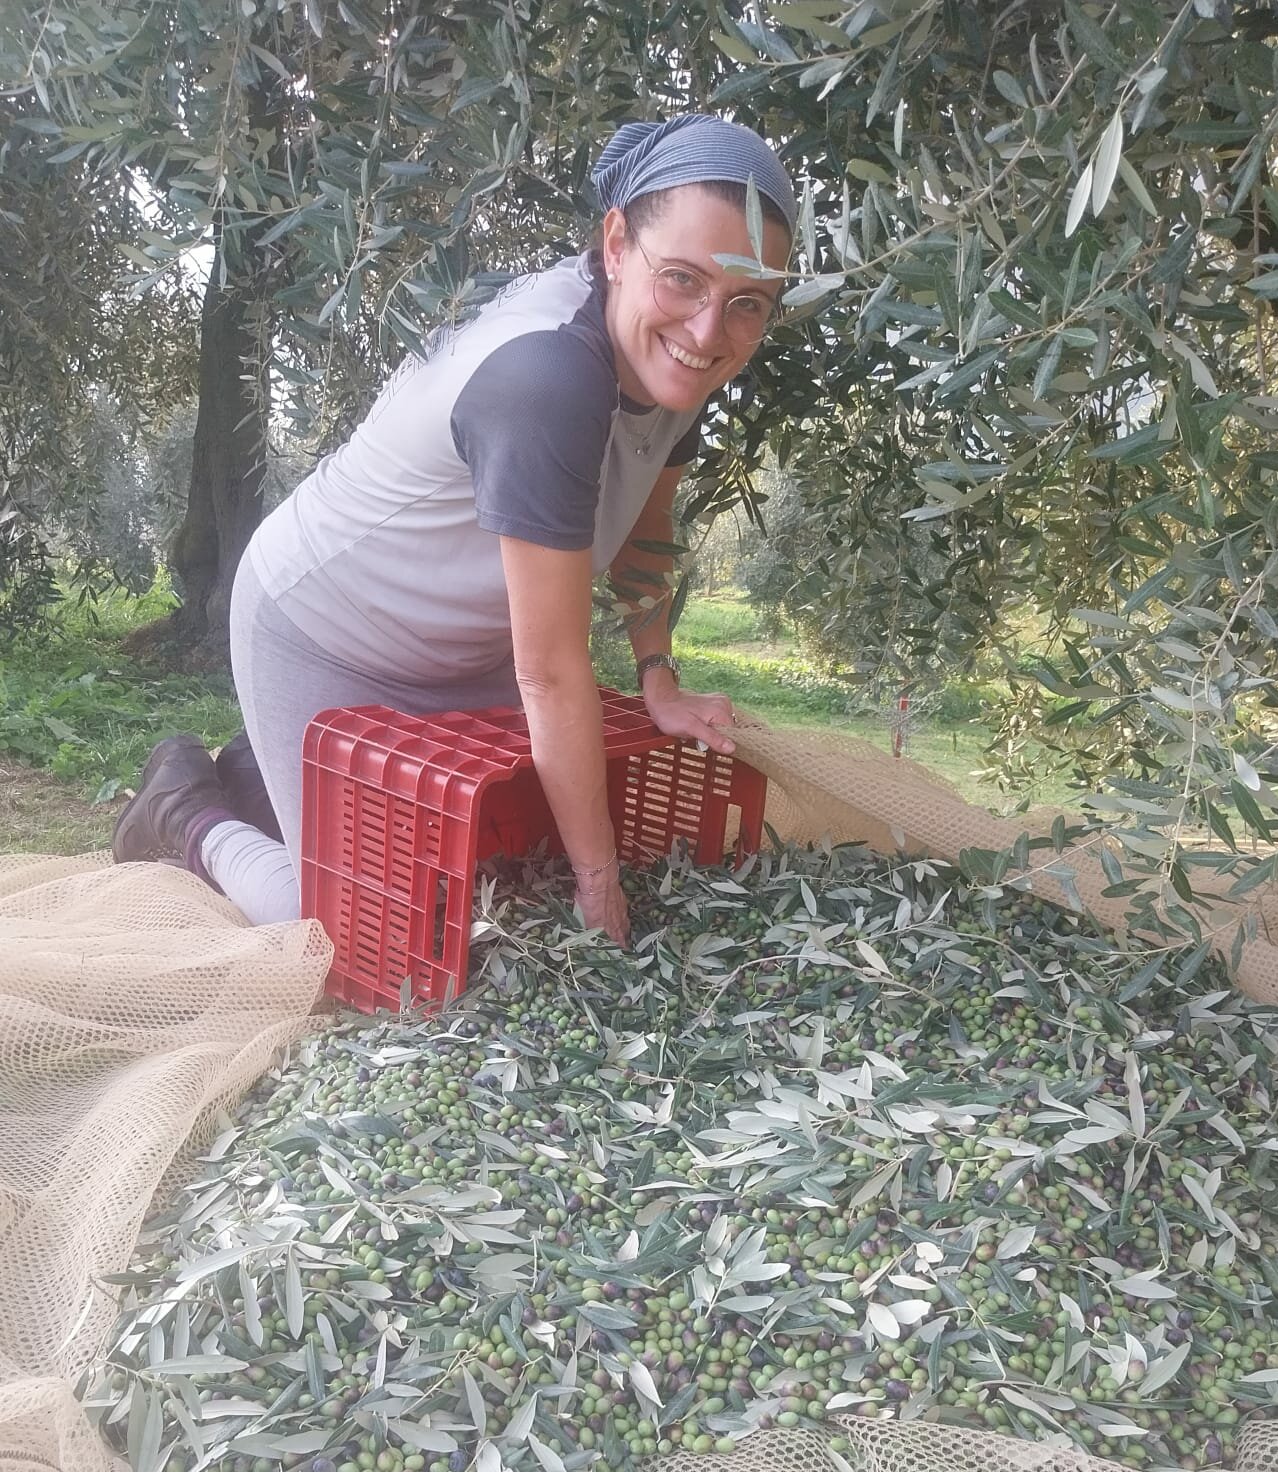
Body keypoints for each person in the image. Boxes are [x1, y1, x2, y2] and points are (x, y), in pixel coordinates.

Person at [112, 115, 795, 947]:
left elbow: (646, 540)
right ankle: (181, 810)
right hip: (324, 634)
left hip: (463, 658)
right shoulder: (546, 380)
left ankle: (266, 779)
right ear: (616, 243)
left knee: (495, 883)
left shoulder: (672, 364)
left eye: (745, 305)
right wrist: (597, 884)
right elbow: (548, 671)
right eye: (682, 279)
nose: (706, 332)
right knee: (354, 937)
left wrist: (658, 672)